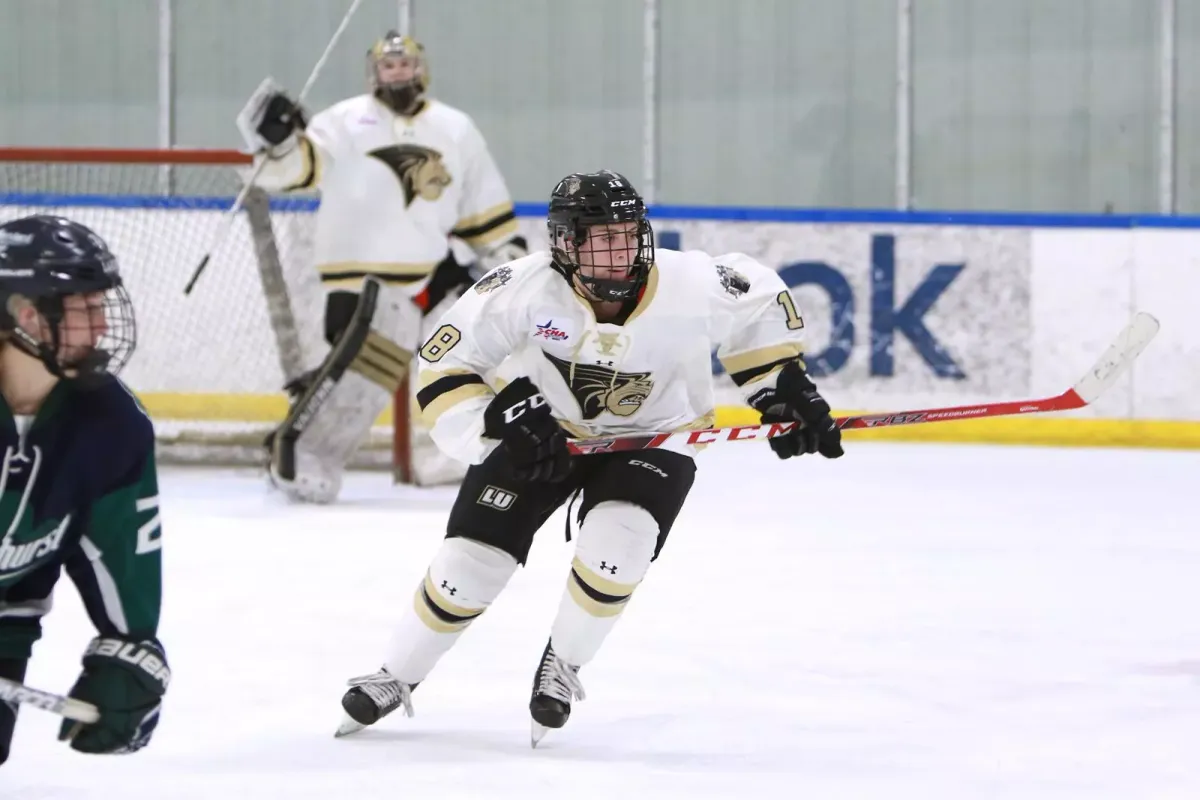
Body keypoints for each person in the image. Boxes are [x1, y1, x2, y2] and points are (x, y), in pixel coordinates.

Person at [334, 170, 843, 746]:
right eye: (599, 238)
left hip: (653, 438)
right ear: (565, 244)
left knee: (618, 546)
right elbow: (443, 361)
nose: (617, 251)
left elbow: (756, 309)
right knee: (467, 565)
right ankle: (395, 675)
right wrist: (495, 417)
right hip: (546, 435)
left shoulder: (692, 281)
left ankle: (564, 662)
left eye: (626, 234)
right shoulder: (521, 287)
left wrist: (780, 390)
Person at [236, 29, 528, 501]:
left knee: (463, 356)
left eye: (405, 64)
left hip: (431, 273)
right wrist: (279, 141)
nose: (397, 72)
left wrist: (506, 254)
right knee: (357, 380)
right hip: (358, 279)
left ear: (421, 69)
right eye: (388, 66)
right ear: (375, 73)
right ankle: (299, 458)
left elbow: (481, 201)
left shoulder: (455, 127)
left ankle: (443, 456)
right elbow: (291, 173)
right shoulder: (342, 121)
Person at [0, 215, 168, 764]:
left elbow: (123, 554)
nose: (100, 327)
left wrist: (131, 653)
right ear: (27, 315)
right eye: (84, 309)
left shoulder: (111, 425)